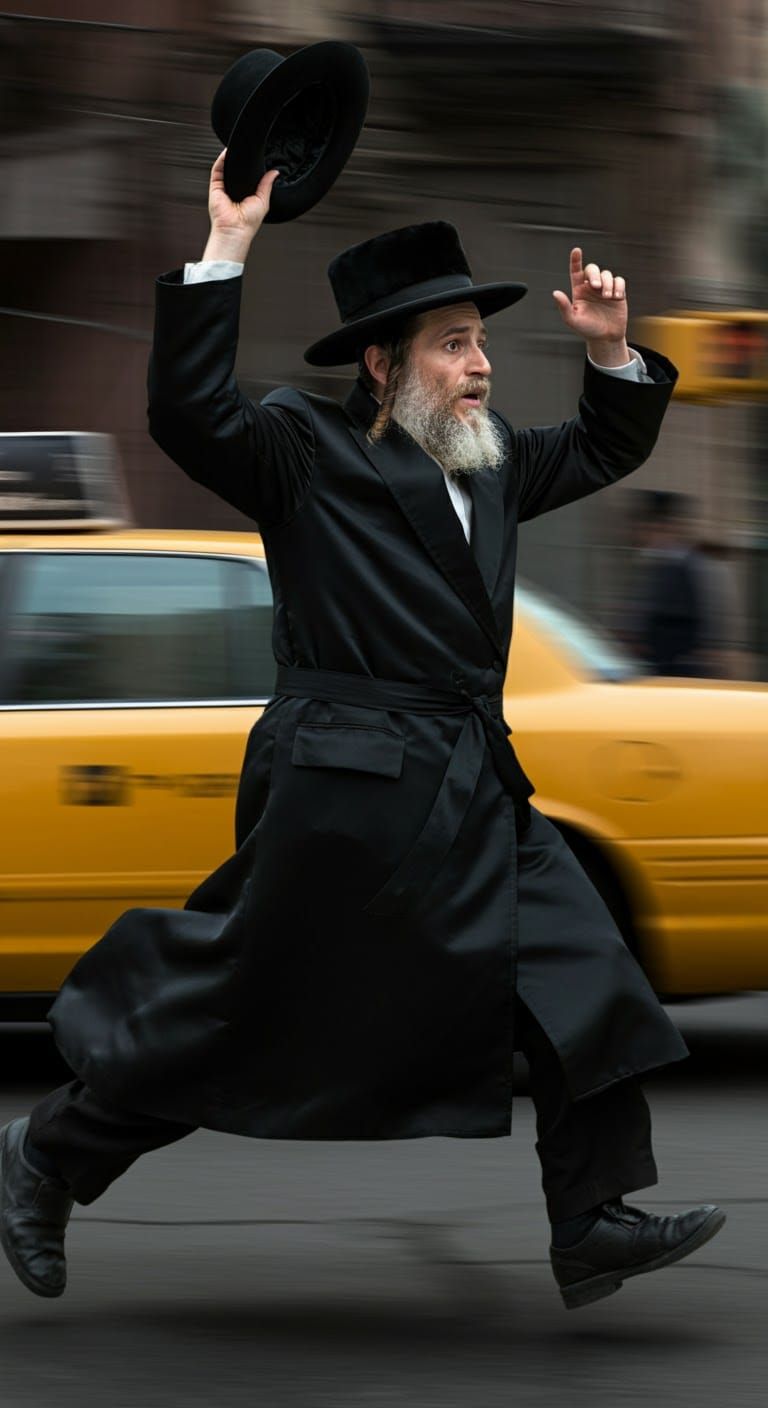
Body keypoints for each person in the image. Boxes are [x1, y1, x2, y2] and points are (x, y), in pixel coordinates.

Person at [0, 155, 725, 1311]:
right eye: (452, 343)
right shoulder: (304, 449)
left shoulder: (489, 469)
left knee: (584, 971)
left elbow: (603, 445)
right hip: (344, 791)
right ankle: (46, 1158)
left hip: (473, 784)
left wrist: (605, 349)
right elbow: (189, 411)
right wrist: (226, 245)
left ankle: (590, 1217)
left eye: (480, 342)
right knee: (248, 1012)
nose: (481, 363)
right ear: (384, 364)